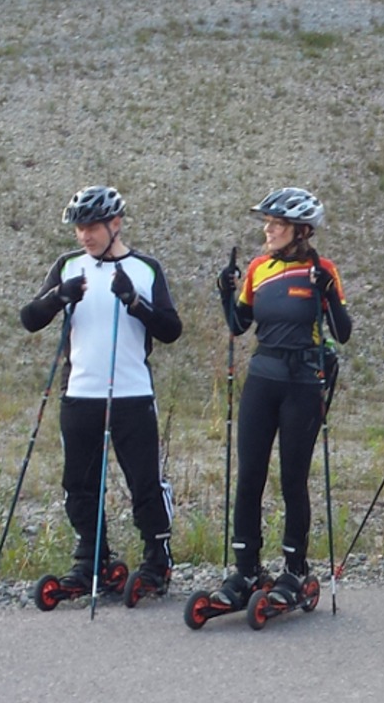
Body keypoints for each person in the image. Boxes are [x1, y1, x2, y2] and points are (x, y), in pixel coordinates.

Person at [19, 185, 183, 601]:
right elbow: (29, 319)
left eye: (91, 227)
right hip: (81, 393)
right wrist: (59, 296)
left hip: (131, 394)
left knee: (144, 482)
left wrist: (135, 303)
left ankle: (157, 558)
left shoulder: (146, 269)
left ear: (116, 223)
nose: (83, 236)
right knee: (79, 484)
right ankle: (92, 559)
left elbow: (171, 330)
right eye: (78, 228)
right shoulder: (69, 265)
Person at [207, 187, 352, 614]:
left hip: (303, 383)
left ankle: (294, 568)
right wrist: (225, 293)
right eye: (267, 222)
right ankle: (245, 568)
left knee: (293, 479)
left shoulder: (322, 270)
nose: (268, 229)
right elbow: (239, 324)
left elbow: (341, 332)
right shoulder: (258, 268)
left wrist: (327, 291)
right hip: (263, 378)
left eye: (277, 223)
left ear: (301, 230)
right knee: (249, 473)